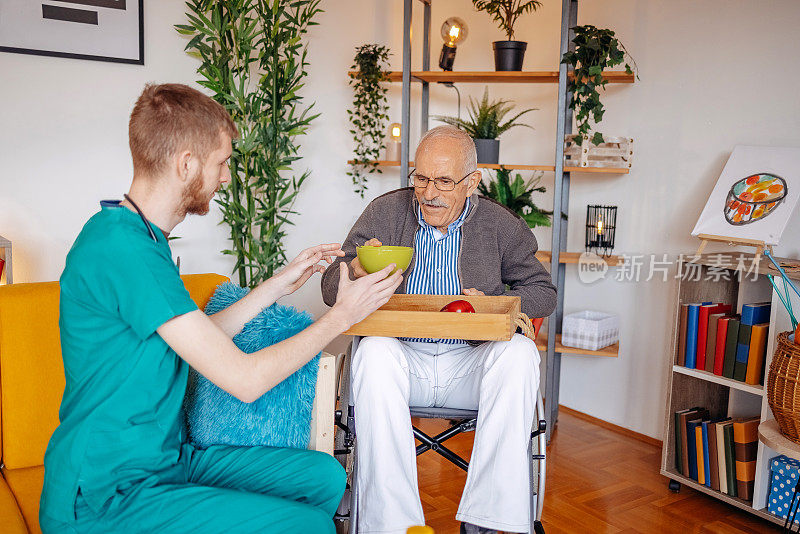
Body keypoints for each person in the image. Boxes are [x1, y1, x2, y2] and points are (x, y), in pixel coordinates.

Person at [39, 83, 403, 534]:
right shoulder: (123, 250)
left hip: (165, 461)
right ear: (186, 163)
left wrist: (273, 287)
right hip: (105, 493)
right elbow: (244, 380)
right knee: (306, 525)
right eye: (222, 162)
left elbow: (196, 339)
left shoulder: (138, 237)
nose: (227, 177)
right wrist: (340, 318)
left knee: (321, 479)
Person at [321, 126, 557, 534]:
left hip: (470, 362)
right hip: (400, 361)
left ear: (471, 182)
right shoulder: (385, 212)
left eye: (445, 181)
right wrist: (357, 268)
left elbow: (543, 292)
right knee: (373, 350)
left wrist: (494, 303)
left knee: (519, 355)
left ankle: (486, 521)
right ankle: (392, 526)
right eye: (421, 178)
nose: (429, 193)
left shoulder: (501, 225)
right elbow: (329, 287)